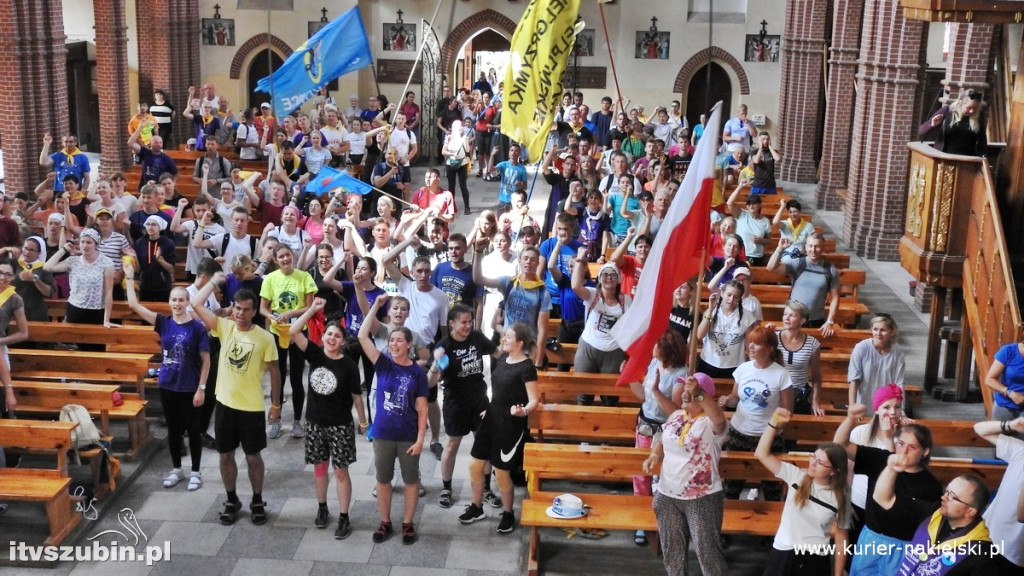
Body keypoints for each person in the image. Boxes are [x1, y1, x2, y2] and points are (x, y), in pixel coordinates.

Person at [190, 279, 281, 526]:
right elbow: (196, 303)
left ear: (254, 311)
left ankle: (257, 500)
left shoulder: (265, 338)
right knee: (225, 455)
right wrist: (213, 281)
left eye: (246, 309)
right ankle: (232, 500)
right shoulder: (224, 328)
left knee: (253, 458)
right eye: (237, 308)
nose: (241, 314)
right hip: (225, 405)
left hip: (251, 407)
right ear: (233, 308)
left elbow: (274, 371)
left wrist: (276, 405)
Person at [125, 268, 210, 492]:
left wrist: (201, 388)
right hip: (168, 384)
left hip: (190, 385)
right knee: (173, 430)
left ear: (188, 302)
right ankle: (176, 469)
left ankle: (195, 471)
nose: (177, 304)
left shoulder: (197, 328)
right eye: (174, 300)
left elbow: (206, 360)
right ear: (169, 302)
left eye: (181, 300)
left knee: (193, 430)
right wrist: (128, 276)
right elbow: (134, 306)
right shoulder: (163, 322)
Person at [288, 299, 367, 538]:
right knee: (320, 467)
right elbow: (293, 331)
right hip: (314, 422)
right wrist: (312, 310)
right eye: (328, 334)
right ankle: (322, 508)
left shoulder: (349, 366)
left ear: (342, 342)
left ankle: (344, 516)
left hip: (340, 425)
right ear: (323, 337)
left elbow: (356, 396)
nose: (332, 338)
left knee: (341, 471)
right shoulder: (315, 355)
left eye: (337, 336)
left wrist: (363, 422)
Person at [833, 406, 942, 576]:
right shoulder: (881, 459)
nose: (904, 451)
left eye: (912, 447)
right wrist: (850, 419)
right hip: (870, 539)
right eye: (901, 444)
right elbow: (841, 444)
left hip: (903, 547)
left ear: (925, 451)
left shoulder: (931, 486)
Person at [357, 298, 428, 544]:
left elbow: (422, 410)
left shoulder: (417, 372)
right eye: (391, 340)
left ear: (409, 344)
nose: (394, 344)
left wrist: (420, 440)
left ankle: (407, 523)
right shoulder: (383, 364)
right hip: (384, 434)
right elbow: (362, 337)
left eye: (399, 340)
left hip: (408, 436)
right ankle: (385, 521)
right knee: (383, 480)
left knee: (410, 481)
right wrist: (375, 307)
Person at [643, 373, 728, 576]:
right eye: (683, 387)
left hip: (702, 497)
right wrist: (654, 455)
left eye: (689, 388)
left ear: (704, 394)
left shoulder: (710, 422)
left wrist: (698, 394)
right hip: (667, 494)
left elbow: (719, 419)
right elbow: (661, 438)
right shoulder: (676, 416)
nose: (684, 391)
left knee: (708, 553)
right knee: (672, 553)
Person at [458, 323, 539, 534]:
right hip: (492, 416)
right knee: (475, 466)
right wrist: (490, 409)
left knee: (501, 473)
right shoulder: (503, 359)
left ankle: (508, 513)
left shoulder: (527, 367)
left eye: (509, 337)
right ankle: (477, 507)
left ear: (520, 343)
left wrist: (523, 411)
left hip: (511, 423)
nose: (504, 340)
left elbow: (534, 400)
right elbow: (499, 391)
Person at [756, 408, 851, 576]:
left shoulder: (841, 496)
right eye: (813, 457)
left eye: (820, 462)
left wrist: (837, 574)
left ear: (833, 471)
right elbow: (761, 454)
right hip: (784, 552)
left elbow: (841, 537)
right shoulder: (795, 476)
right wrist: (774, 422)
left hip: (815, 558)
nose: (813, 463)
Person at [430, 304, 502, 510]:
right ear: (451, 323)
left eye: (470, 321)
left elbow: (498, 354)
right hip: (455, 403)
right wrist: (436, 364)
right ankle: (446, 488)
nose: (468, 325)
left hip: (479, 400)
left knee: (484, 443)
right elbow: (432, 381)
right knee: (452, 444)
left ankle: (487, 489)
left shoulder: (478, 338)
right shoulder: (444, 346)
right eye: (463, 322)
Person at [874, 457, 994, 575]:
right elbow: (884, 499)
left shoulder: (982, 554)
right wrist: (891, 468)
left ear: (970, 511)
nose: (944, 497)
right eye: (946, 491)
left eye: (952, 496)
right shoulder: (933, 513)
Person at [720, 327, 793, 501]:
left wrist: (775, 428)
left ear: (769, 349)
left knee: (771, 486)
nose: (751, 346)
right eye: (750, 342)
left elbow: (787, 410)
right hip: (739, 432)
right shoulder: (743, 369)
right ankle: (728, 524)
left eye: (757, 343)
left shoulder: (781, 374)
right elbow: (735, 397)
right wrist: (727, 400)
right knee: (732, 484)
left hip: (767, 436)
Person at [628, 329, 687, 545]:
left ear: (667, 350)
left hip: (666, 430)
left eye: (656, 345)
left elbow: (676, 411)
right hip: (645, 426)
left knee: (665, 477)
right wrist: (630, 378)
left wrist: (656, 391)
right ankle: (641, 522)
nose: (652, 348)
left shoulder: (681, 375)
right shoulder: (654, 364)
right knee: (641, 474)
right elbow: (643, 397)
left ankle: (666, 522)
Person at [259, 243, 317, 439]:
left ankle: (297, 421)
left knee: (297, 378)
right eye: (281, 257)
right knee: (278, 377)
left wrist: (291, 313)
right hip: (278, 332)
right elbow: (263, 309)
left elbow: (309, 307)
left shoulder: (304, 277)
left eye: (288, 255)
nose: (285, 259)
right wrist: (274, 317)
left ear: (293, 256)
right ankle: (276, 419)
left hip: (299, 332)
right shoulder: (270, 279)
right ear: (275, 260)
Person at [473, 240, 551, 365]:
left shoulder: (542, 292)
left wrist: (539, 361)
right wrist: (478, 252)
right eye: (525, 258)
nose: (528, 262)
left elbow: (542, 330)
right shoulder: (508, 283)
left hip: (527, 350)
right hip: (506, 346)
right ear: (519, 261)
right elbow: (478, 279)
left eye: (532, 260)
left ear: (537, 263)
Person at [572, 258, 630, 405]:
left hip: (613, 351)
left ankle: (609, 427)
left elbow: (632, 326)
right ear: (599, 277)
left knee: (610, 395)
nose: (609, 277)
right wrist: (580, 260)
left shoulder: (626, 300)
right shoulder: (592, 294)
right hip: (588, 348)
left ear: (618, 279)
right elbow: (575, 287)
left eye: (613, 275)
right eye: (605, 274)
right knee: (583, 393)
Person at [973, 416, 1024, 573]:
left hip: (1014, 551)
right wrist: (1010, 425)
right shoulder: (1020, 450)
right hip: (988, 533)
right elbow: (979, 429)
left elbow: (1021, 515)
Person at [767, 233, 840, 334]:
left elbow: (835, 298)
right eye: (810, 246)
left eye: (817, 246)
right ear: (805, 247)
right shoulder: (798, 263)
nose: (813, 250)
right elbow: (770, 267)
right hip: (794, 318)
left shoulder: (830, 270)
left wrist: (830, 321)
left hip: (816, 320)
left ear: (823, 248)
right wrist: (780, 249)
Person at [44, 228, 115, 326]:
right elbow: (47, 267)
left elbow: (108, 292)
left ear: (96, 245)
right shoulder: (73, 261)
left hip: (96, 311)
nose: (85, 245)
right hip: (75, 309)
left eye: (89, 242)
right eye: (82, 242)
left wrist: (106, 319)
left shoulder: (106, 263)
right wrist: (63, 250)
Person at [696, 280, 758, 379]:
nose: (731, 299)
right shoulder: (711, 311)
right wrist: (711, 310)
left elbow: (748, 345)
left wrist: (752, 367)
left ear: (739, 298)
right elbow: (699, 335)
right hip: (708, 362)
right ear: (722, 293)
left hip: (734, 366)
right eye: (728, 295)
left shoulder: (747, 317)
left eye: (735, 297)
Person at [848, 313, 906, 415]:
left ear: (892, 332)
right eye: (875, 329)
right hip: (865, 402)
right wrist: (852, 406)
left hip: (887, 405)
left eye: (883, 330)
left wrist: (901, 410)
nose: (878, 333)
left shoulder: (898, 352)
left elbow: (899, 383)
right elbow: (854, 379)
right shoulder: (861, 348)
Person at [775, 301, 824, 416]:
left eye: (791, 315)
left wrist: (816, 401)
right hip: (776, 392)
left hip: (799, 394)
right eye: (785, 314)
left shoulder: (812, 343)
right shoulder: (773, 338)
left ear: (802, 320)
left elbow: (816, 376)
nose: (786, 318)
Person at [918, 88, 987, 157]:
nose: (972, 111)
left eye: (975, 108)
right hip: (943, 157)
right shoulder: (947, 111)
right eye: (969, 107)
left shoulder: (979, 115)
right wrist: (932, 125)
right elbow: (921, 131)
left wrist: (982, 156)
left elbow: (982, 139)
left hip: (967, 159)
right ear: (961, 103)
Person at [133, 214, 177, 302]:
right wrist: (134, 257)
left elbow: (171, 269)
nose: (150, 227)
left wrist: (160, 260)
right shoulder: (140, 242)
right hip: (145, 285)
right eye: (148, 224)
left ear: (160, 227)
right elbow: (138, 270)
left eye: (153, 224)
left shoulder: (168, 243)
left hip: (163, 286)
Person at [727, 187, 772, 266]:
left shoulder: (765, 221)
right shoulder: (741, 214)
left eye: (754, 203)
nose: (751, 206)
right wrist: (740, 186)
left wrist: (761, 240)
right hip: (740, 254)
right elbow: (729, 203)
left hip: (758, 256)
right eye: (749, 204)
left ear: (759, 205)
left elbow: (768, 240)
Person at [13, 237, 54, 322]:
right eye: (26, 248)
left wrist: (35, 279)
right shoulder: (15, 264)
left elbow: (48, 292)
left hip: (36, 311)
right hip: (14, 309)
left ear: (38, 252)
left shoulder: (44, 267)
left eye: (31, 250)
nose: (27, 252)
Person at [983, 339, 1024, 421]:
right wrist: (1009, 392)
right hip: (1005, 407)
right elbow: (989, 379)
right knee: (998, 433)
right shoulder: (1008, 351)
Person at [441, 120, 473, 214]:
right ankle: (450, 207)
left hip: (462, 163)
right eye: (458, 126)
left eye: (461, 126)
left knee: (463, 186)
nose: (460, 128)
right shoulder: (449, 138)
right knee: (451, 186)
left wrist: (466, 141)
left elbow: (467, 150)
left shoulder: (464, 138)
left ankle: (467, 207)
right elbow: (443, 151)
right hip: (450, 163)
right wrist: (452, 154)